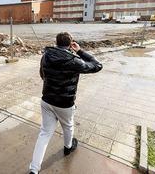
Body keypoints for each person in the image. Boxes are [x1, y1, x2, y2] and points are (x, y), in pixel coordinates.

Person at [29, 32, 103, 174]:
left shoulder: (46, 56)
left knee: (44, 134)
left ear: (56, 43)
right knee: (68, 126)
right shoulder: (75, 61)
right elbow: (97, 65)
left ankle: (34, 169)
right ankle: (68, 147)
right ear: (70, 45)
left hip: (47, 100)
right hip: (65, 103)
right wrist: (80, 51)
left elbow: (42, 75)